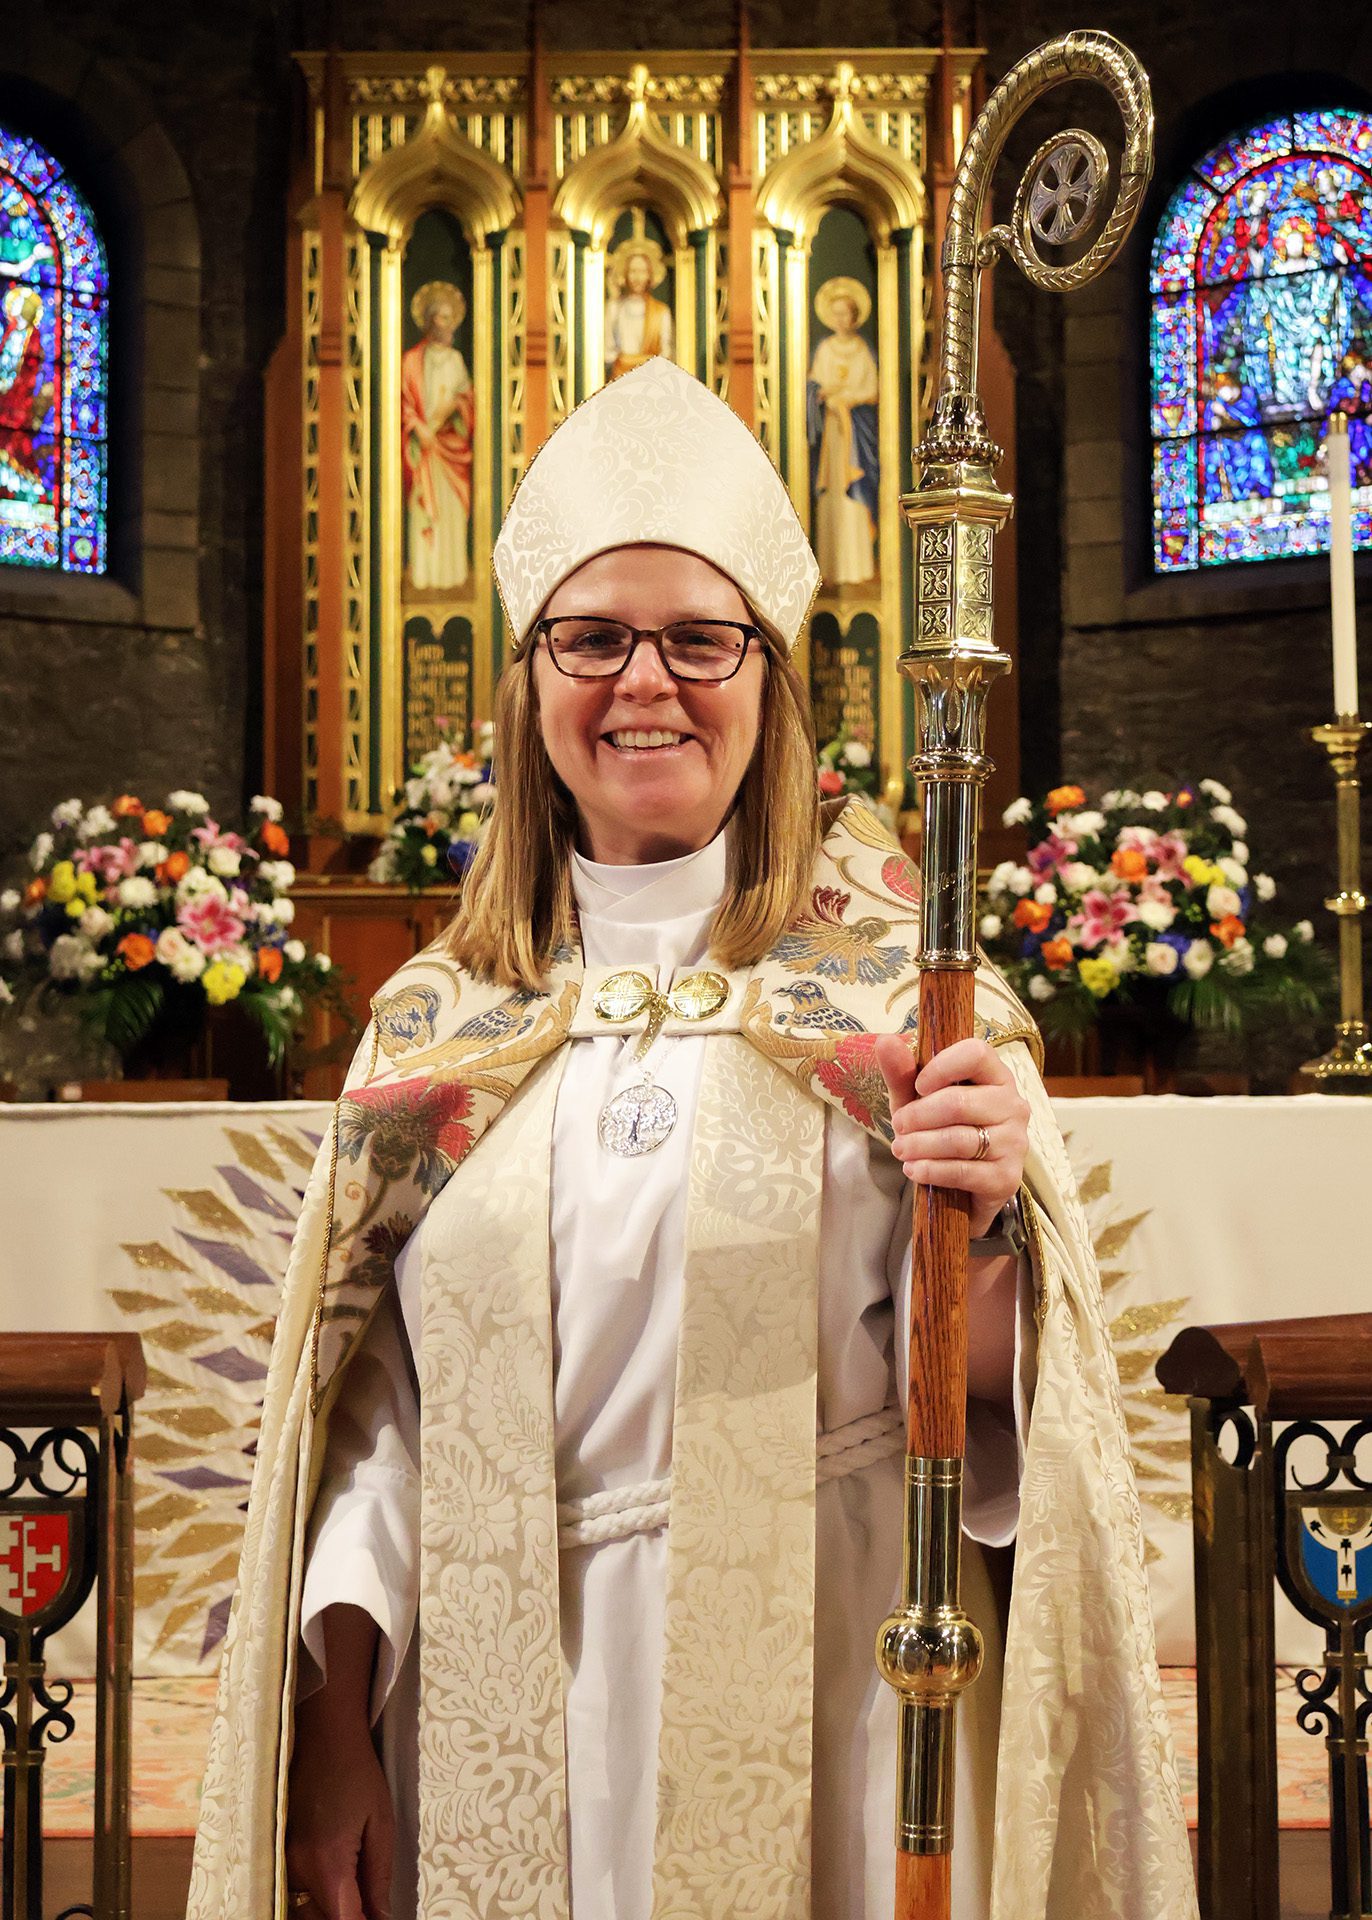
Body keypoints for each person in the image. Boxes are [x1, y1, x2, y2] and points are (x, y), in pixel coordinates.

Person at [188, 358, 1196, 1920]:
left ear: (769, 679)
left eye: (697, 639)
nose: (642, 681)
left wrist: (993, 1224)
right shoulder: (433, 1030)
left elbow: (1006, 1417)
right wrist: (329, 1739)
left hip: (841, 1687)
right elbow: (371, 1430)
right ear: (526, 683)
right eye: (592, 639)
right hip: (485, 1707)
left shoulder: (905, 996)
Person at [401, 281, 475, 590]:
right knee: (424, 511)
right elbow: (403, 404)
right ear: (429, 321)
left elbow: (468, 399)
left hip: (450, 447)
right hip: (425, 448)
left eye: (449, 318)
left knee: (451, 511)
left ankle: (452, 574)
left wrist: (454, 409)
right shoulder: (412, 361)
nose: (444, 324)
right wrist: (419, 428)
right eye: (439, 317)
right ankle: (425, 575)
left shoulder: (457, 360)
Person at [807, 279, 880, 584]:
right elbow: (814, 385)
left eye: (845, 313)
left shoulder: (862, 349)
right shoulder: (825, 349)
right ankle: (830, 568)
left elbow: (874, 389)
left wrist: (849, 399)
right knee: (833, 497)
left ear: (855, 316)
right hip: (832, 438)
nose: (840, 319)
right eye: (834, 313)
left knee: (856, 496)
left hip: (856, 435)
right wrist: (825, 395)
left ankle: (859, 568)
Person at [605, 242, 674, 380]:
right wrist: (624, 362)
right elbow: (607, 351)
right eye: (633, 271)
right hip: (620, 379)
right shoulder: (614, 308)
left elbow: (666, 352)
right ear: (625, 274)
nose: (637, 277)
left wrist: (643, 364)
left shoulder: (661, 311)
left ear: (649, 275)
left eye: (642, 272)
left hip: (651, 379)